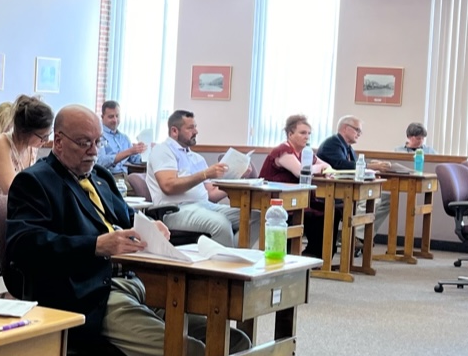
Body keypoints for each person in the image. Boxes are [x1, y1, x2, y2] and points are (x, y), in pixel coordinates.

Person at [6, 105, 366, 356]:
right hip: (86, 300)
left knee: (232, 338)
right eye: (83, 143)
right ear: (58, 141)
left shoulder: (101, 178)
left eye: (97, 143)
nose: (92, 152)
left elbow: (129, 221)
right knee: (190, 350)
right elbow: (23, 246)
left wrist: (154, 228)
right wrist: (94, 246)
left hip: (142, 285)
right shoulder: (33, 183)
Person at [145, 109, 240, 246]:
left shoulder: (196, 157)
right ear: (174, 131)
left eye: (195, 127)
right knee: (221, 224)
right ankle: (223, 265)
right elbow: (168, 186)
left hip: (204, 206)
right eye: (190, 128)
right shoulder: (162, 150)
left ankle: (235, 257)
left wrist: (237, 178)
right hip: (176, 210)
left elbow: (211, 194)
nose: (196, 131)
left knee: (255, 218)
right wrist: (205, 174)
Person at [0, 94, 53, 253]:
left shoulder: (32, 146)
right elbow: (12, 189)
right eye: (42, 136)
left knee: (53, 239)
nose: (45, 141)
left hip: (19, 219)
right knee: (34, 245)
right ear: (26, 131)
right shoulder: (0, 143)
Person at [259, 114, 331, 257]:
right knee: (315, 214)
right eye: (302, 133)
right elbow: (301, 172)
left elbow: (327, 166)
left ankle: (315, 255)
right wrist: (314, 168)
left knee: (329, 211)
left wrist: (314, 168)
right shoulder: (283, 150)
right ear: (290, 134)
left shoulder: (305, 152)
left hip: (295, 198)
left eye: (309, 133)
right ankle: (295, 254)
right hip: (275, 200)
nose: (307, 137)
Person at [316, 115, 392, 244]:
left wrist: (371, 169)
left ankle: (360, 236)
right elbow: (341, 165)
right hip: (333, 190)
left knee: (385, 198)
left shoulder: (348, 147)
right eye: (357, 130)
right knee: (370, 198)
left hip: (348, 188)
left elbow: (357, 166)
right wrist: (370, 166)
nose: (359, 134)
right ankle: (354, 237)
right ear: (345, 128)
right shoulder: (332, 143)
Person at [96, 100, 146, 179]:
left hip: (126, 177)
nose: (115, 120)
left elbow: (136, 161)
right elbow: (100, 162)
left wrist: (142, 150)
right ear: (102, 117)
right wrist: (129, 152)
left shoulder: (124, 138)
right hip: (108, 178)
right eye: (111, 116)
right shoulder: (98, 136)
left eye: (117, 116)